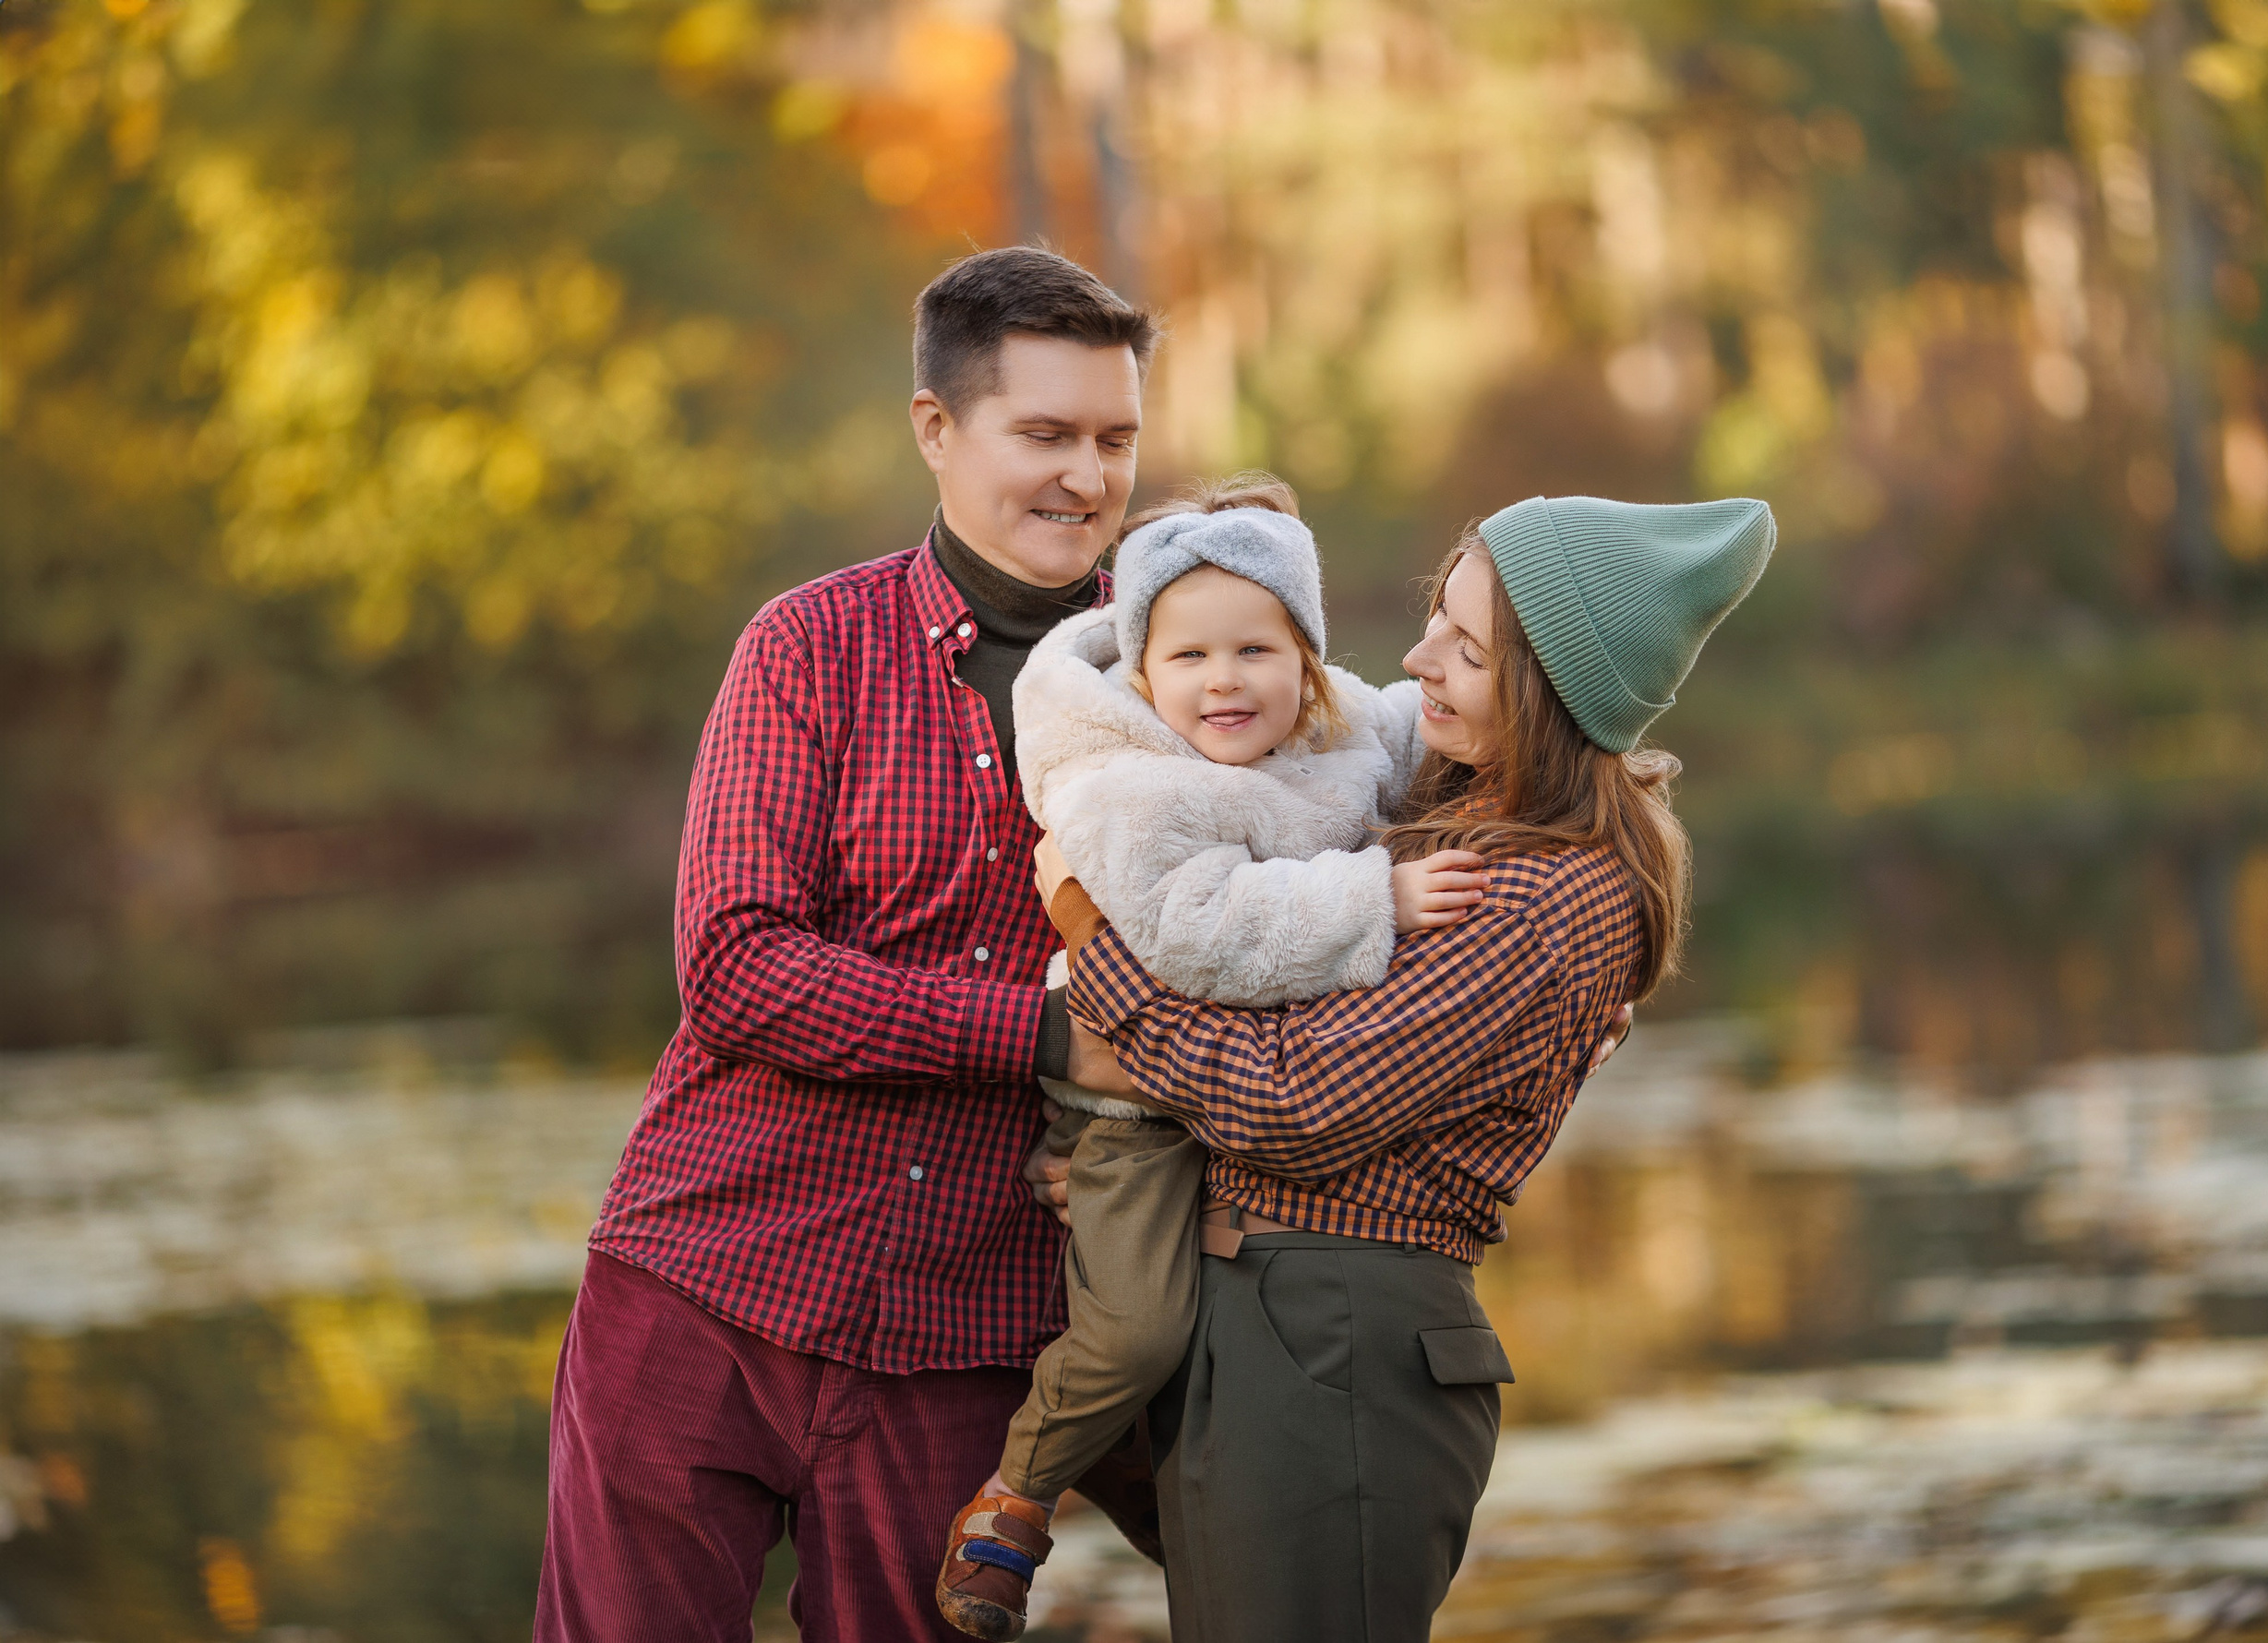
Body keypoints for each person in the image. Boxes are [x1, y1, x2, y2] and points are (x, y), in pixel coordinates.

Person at [534, 246, 1158, 1642]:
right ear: (937, 428)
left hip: (966, 1335)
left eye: (1115, 440)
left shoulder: (1173, 675)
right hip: (706, 1284)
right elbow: (737, 968)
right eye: (1044, 434)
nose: (1086, 476)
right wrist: (1046, 1036)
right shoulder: (807, 647)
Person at [1026, 494, 1777, 1643]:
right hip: (1271, 1319)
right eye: (1437, 617)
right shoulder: (1447, 810)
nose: (1420, 658)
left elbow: (1290, 1100)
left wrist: (1096, 947)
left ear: (1553, 691)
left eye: (1467, 649)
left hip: (1340, 1337)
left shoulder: (1542, 894)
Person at [931, 476, 1493, 1640]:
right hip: (1132, 1110)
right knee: (1141, 1327)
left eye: (1255, 650)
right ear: (1143, 673)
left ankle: (1169, 1484)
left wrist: (1595, 797)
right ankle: (1018, 1493)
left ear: (1309, 664)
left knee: (1221, 1337)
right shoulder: (1126, 788)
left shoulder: (1340, 730)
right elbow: (1201, 931)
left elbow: (1446, 737)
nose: (1224, 681)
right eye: (1188, 656)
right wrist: (1372, 896)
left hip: (1252, 1120)